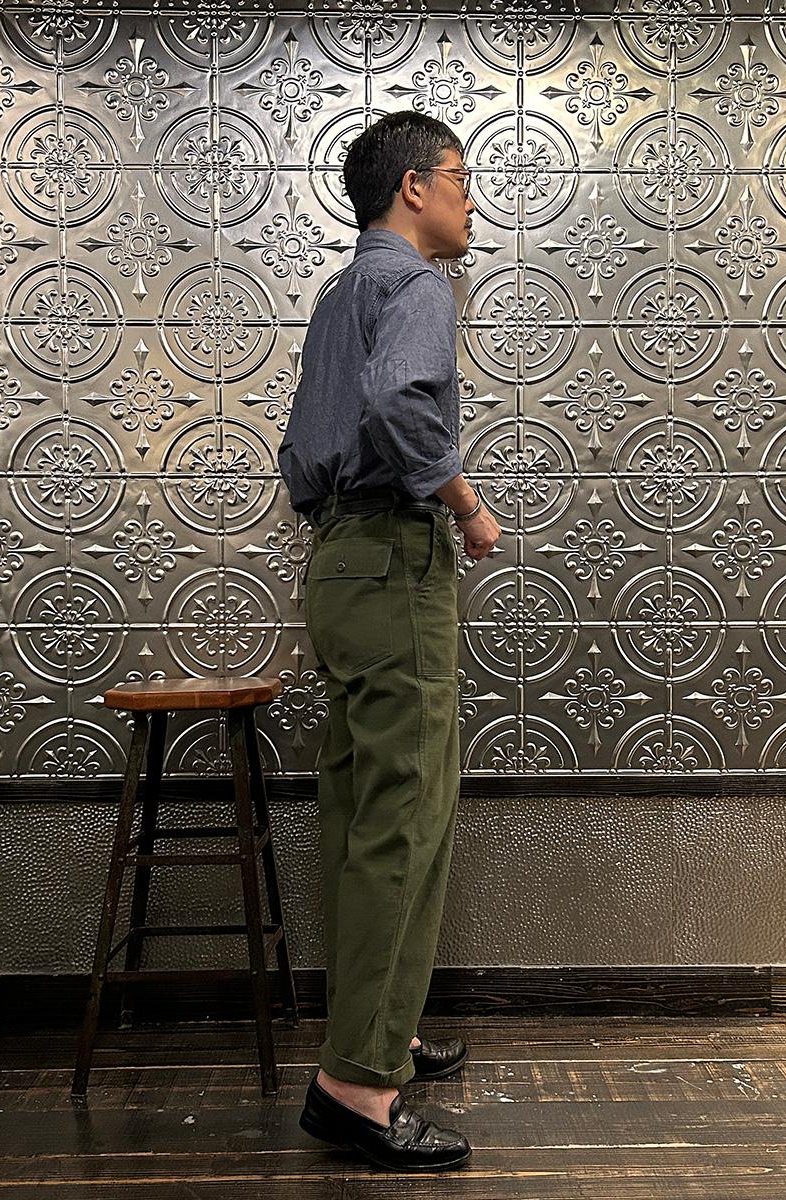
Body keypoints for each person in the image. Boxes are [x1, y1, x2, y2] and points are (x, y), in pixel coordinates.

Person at [277, 110, 501, 1172]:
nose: (470, 199)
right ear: (413, 187)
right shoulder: (414, 284)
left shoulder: (339, 295)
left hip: (336, 562)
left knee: (362, 813)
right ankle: (358, 1087)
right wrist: (467, 506)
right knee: (406, 819)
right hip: (391, 560)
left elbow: (300, 451)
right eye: (459, 177)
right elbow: (402, 404)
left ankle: (383, 1030)